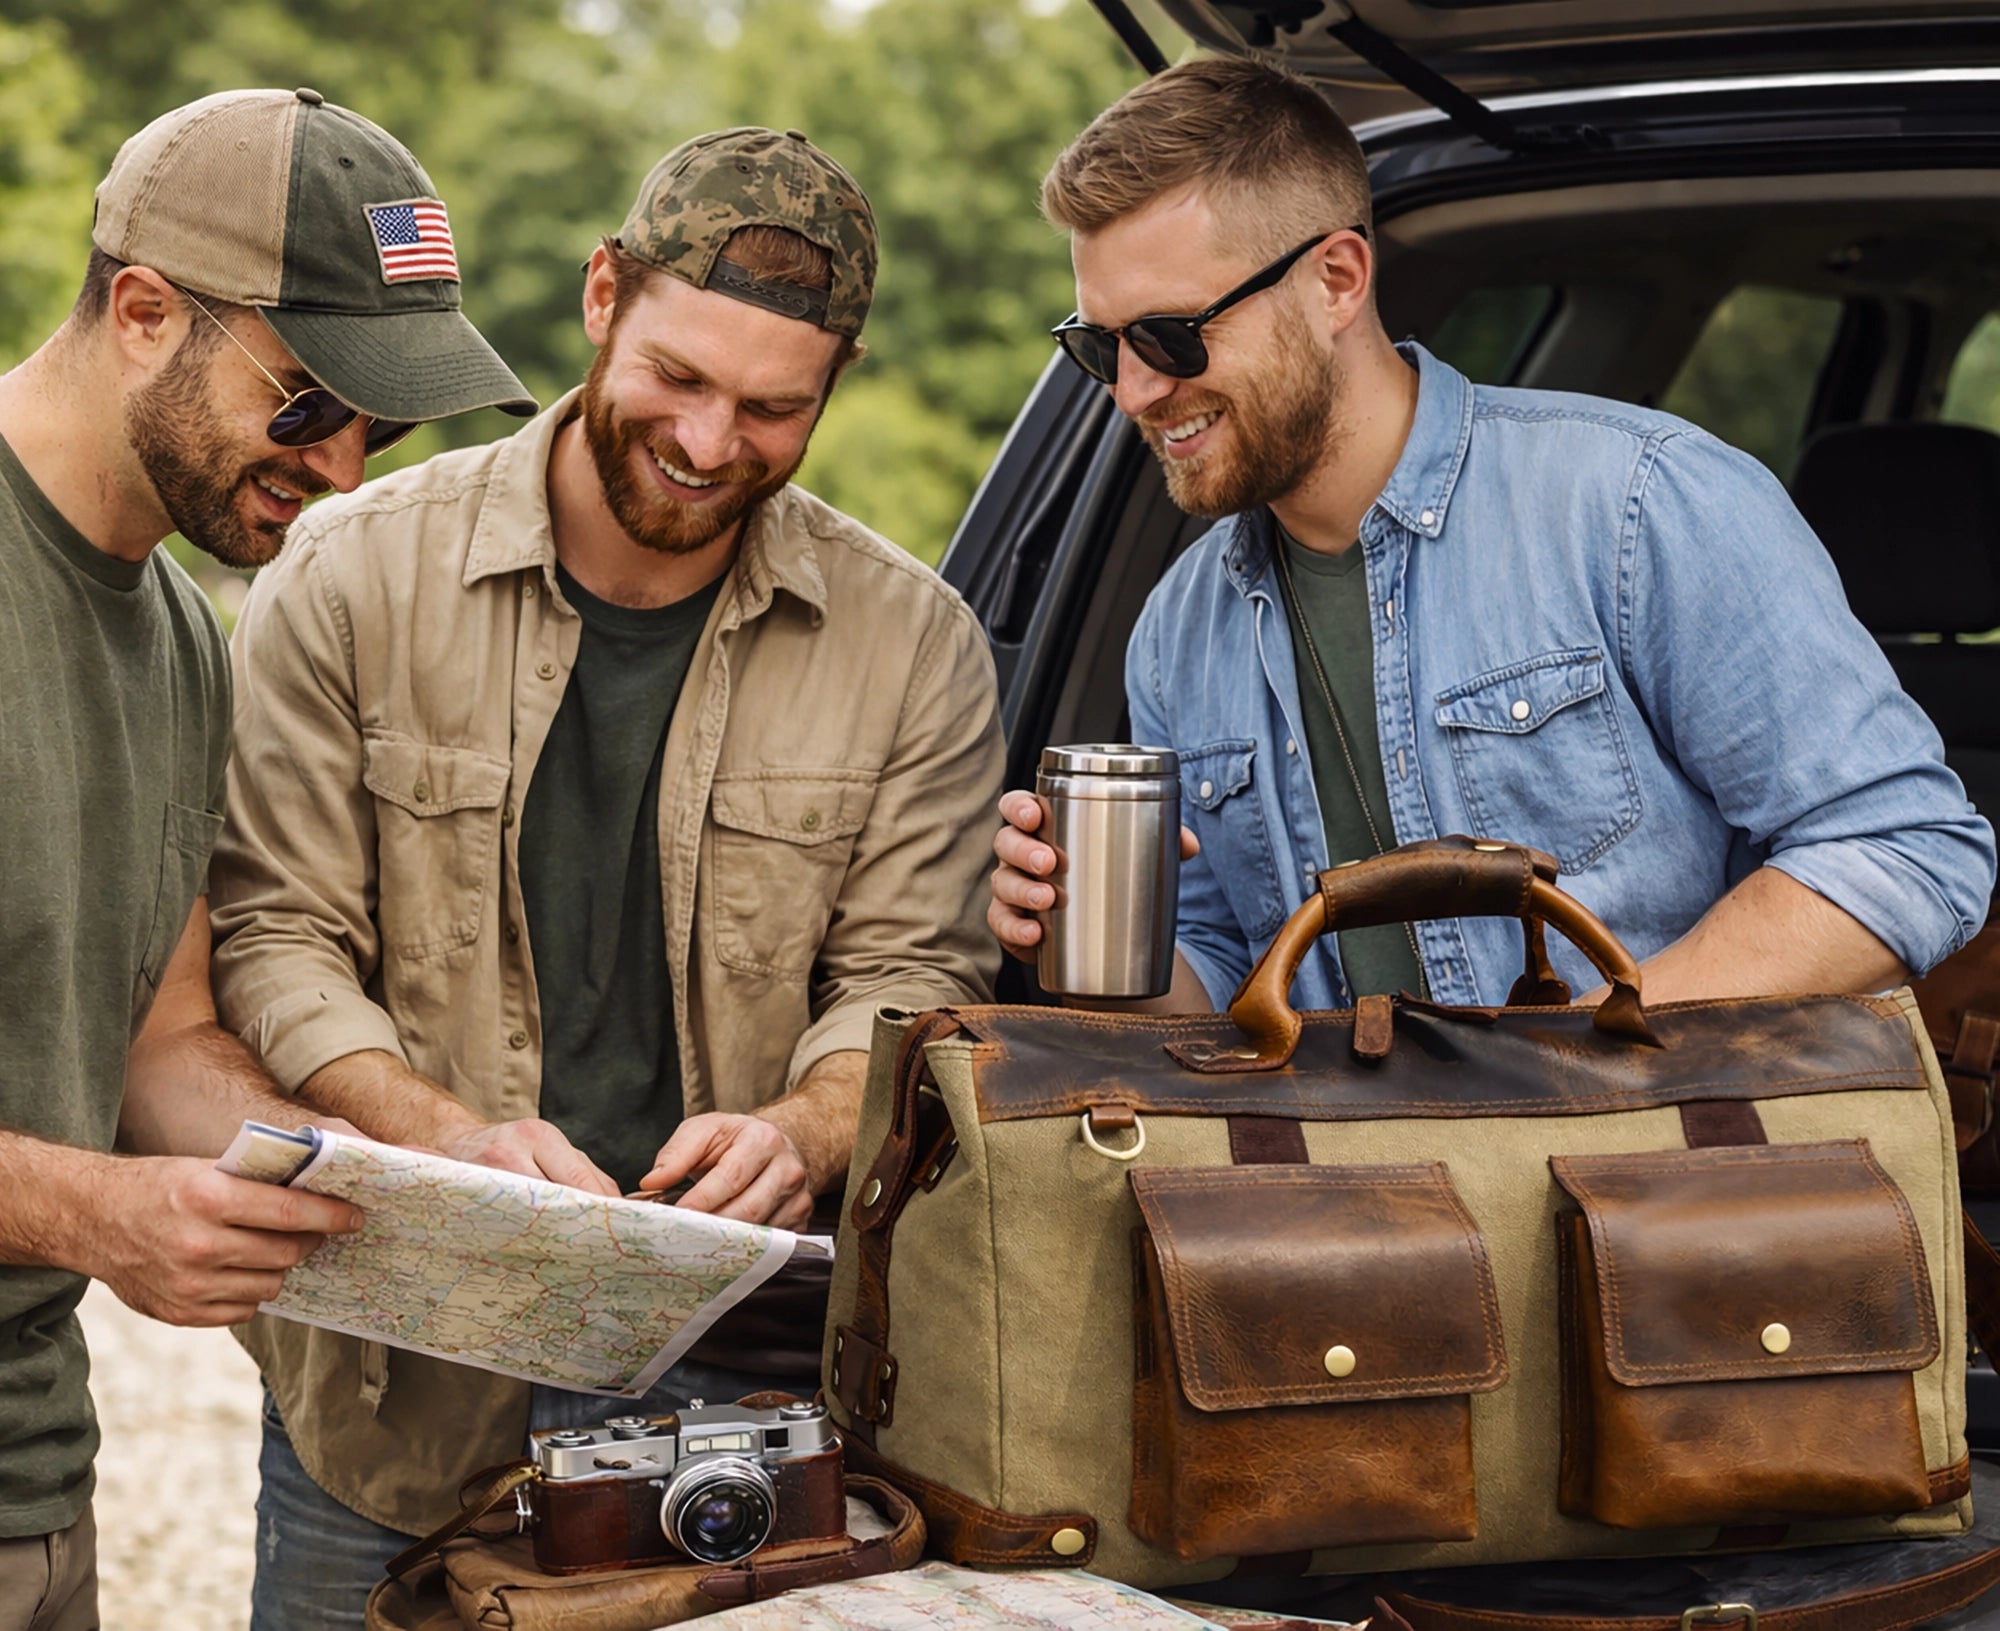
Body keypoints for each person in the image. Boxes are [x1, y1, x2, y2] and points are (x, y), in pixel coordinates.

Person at [207, 126, 1004, 1624]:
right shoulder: (346, 575)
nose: (713, 444)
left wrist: (809, 1123)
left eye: (775, 408)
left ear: (836, 383)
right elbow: (273, 934)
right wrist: (445, 1133)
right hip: (400, 1381)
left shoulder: (917, 645)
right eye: (680, 380)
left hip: (748, 1373)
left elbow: (913, 974)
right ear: (600, 297)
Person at [989, 58, 1995, 1012]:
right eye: (1096, 344)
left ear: (1336, 279)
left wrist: (1585, 1050)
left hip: (1654, 1180)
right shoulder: (1175, 630)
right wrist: (1088, 942)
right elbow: (1222, 978)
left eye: (1169, 335)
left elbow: (1903, 845)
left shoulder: (1636, 505)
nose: (1133, 390)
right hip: (1338, 1187)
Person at [0, 87, 535, 1631]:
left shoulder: (180, 642)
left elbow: (161, 1043)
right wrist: (98, 1214)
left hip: (36, 1485)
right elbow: (95, 1179)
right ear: (147, 312)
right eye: (308, 403)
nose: (347, 469)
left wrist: (409, 1181)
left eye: (388, 423)